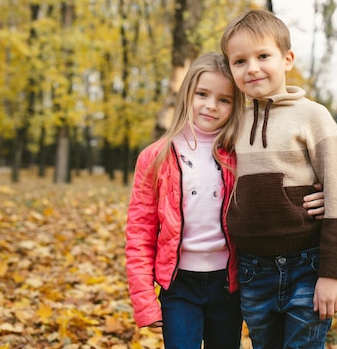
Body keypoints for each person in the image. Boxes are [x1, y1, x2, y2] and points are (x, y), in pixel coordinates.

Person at [125, 52, 326, 349]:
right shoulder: (156, 157)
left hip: (230, 283)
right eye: (202, 94)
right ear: (187, 94)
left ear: (236, 106)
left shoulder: (240, 152)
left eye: (224, 99)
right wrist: (143, 298)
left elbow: (276, 184)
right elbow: (139, 231)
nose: (211, 106)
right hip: (178, 285)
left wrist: (317, 193)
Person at [220, 9, 337, 349]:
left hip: (307, 266)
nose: (251, 68)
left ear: (287, 59)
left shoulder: (312, 116)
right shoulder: (231, 121)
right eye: (239, 61)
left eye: (263, 56)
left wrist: (332, 273)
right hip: (252, 270)